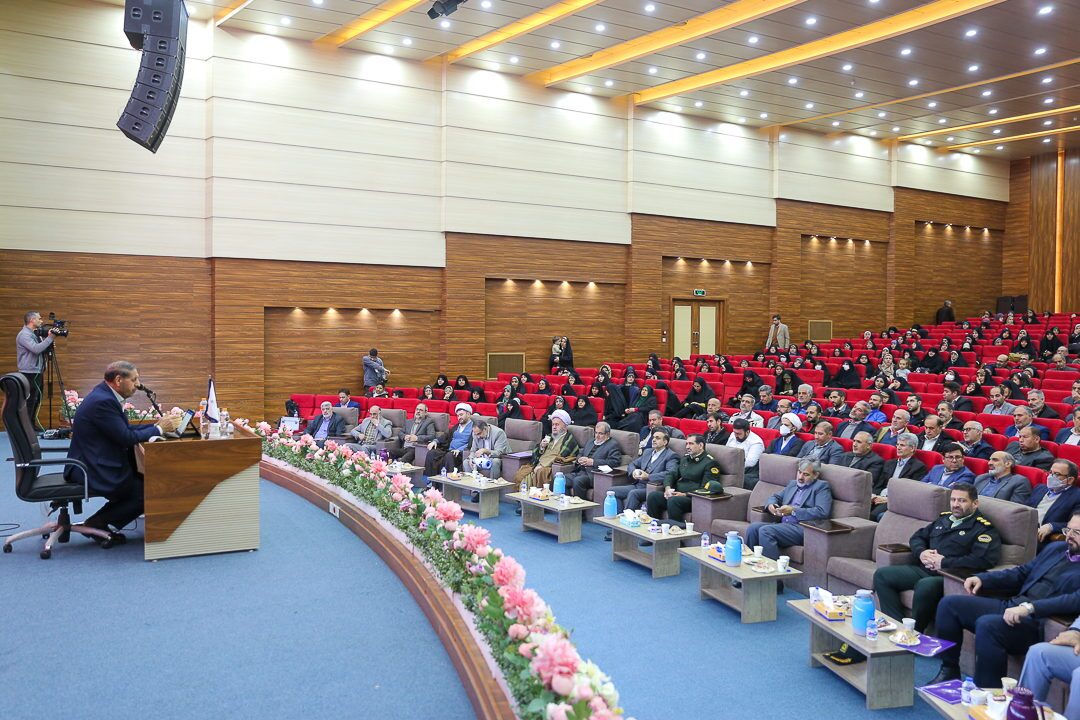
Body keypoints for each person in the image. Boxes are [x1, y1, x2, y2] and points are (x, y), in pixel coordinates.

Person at [930, 510, 1080, 687]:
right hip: (1012, 605)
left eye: (1076, 533)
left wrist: (1030, 607)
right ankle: (949, 669)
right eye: (1067, 530)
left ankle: (988, 693)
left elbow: (1074, 599)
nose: (1069, 536)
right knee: (949, 605)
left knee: (988, 625)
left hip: (1039, 622)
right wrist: (983, 578)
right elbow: (1022, 572)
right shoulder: (1056, 549)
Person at [64, 360, 179, 540]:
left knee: (141, 482)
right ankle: (97, 524)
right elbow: (125, 438)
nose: (138, 385)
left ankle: (99, 522)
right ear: (118, 380)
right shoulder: (103, 402)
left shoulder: (104, 394)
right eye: (134, 380)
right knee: (149, 489)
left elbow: (122, 430)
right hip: (91, 467)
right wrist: (159, 430)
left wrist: (155, 426)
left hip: (90, 460)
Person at [874, 483, 1000, 632]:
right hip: (924, 569)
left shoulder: (983, 529)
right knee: (882, 575)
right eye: (953, 500)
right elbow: (918, 537)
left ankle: (914, 632)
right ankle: (896, 626)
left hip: (948, 577)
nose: (956, 505)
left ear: (975, 503)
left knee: (925, 585)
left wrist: (944, 562)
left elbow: (982, 560)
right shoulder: (944, 519)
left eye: (962, 501)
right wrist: (922, 552)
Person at [745, 459, 832, 560]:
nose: (800, 477)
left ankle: (774, 573)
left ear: (816, 475)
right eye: (799, 472)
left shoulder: (821, 487)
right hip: (784, 525)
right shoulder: (793, 484)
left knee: (766, 531)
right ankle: (749, 563)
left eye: (806, 474)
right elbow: (776, 497)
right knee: (753, 528)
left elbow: (822, 512)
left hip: (803, 528)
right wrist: (771, 505)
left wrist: (793, 511)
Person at [645, 434, 724, 525]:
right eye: (686, 444)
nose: (687, 447)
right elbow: (671, 474)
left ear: (701, 445)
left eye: (691, 444)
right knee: (653, 496)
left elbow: (706, 489)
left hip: (693, 499)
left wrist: (684, 494)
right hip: (677, 494)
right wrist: (667, 488)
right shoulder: (685, 459)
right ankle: (653, 526)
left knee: (674, 500)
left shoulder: (710, 463)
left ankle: (676, 530)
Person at [16, 311, 62, 431]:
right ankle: (26, 428)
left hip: (37, 371)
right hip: (29, 372)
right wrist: (50, 338)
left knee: (37, 399)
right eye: (39, 319)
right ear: (32, 320)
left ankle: (31, 424)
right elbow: (36, 349)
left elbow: (41, 348)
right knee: (30, 400)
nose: (41, 321)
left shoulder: (35, 333)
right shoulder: (24, 335)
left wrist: (48, 345)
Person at [513, 409, 579, 489]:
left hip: (549, 468)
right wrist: (541, 447)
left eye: (557, 425)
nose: (554, 427)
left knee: (538, 474)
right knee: (520, 474)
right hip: (537, 465)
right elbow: (536, 453)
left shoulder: (569, 440)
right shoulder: (549, 437)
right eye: (553, 424)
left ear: (565, 426)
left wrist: (543, 466)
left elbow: (561, 457)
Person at [621, 430, 680, 518]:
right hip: (638, 484)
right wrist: (633, 471)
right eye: (653, 438)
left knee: (633, 493)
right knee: (613, 491)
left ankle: (627, 522)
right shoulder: (648, 451)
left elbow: (670, 473)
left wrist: (648, 476)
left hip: (652, 487)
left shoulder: (671, 456)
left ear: (665, 442)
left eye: (657, 438)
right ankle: (617, 521)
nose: (654, 440)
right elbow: (632, 464)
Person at [874, 433, 927, 520]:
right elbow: (879, 484)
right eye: (897, 444)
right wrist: (874, 495)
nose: (898, 448)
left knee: (872, 515)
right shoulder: (889, 463)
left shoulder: (918, 467)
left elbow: (910, 492)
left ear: (912, 448)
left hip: (895, 500)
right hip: (880, 496)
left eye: (902, 445)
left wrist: (888, 499)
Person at [567, 422, 623, 499]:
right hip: (580, 471)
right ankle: (565, 506)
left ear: (607, 434)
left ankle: (579, 510)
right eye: (596, 433)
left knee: (578, 481)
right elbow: (581, 453)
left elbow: (614, 462)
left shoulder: (613, 445)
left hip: (594, 475)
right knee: (561, 479)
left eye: (600, 433)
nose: (597, 436)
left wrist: (593, 462)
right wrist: (579, 459)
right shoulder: (591, 441)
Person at [1029, 460, 1080, 542]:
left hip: (1041, 538)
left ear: (1070, 480)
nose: (1051, 477)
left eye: (1057, 474)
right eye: (1050, 472)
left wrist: (1051, 526)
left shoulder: (1077, 496)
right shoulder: (1040, 488)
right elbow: (1024, 508)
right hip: (1022, 528)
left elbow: (1076, 524)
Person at [726, 418, 764, 489]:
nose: (736, 436)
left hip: (748, 471)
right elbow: (726, 450)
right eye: (735, 433)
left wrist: (730, 465)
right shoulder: (733, 435)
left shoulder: (756, 442)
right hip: (730, 465)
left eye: (739, 434)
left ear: (747, 432)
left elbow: (750, 463)